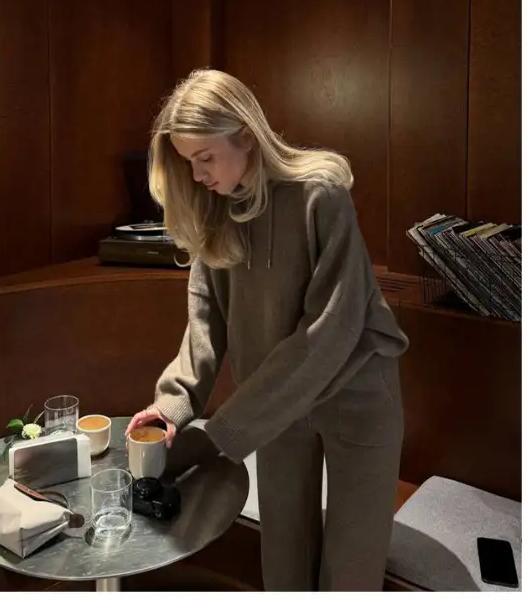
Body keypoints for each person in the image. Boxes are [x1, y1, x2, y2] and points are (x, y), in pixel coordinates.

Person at [126, 69, 407, 591]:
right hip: (276, 404)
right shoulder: (215, 210)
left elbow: (334, 326)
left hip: (357, 392)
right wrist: (171, 404)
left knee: (353, 564)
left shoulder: (320, 195)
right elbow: (204, 320)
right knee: (283, 554)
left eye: (205, 158)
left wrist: (226, 430)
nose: (197, 175)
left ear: (247, 137)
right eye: (187, 162)